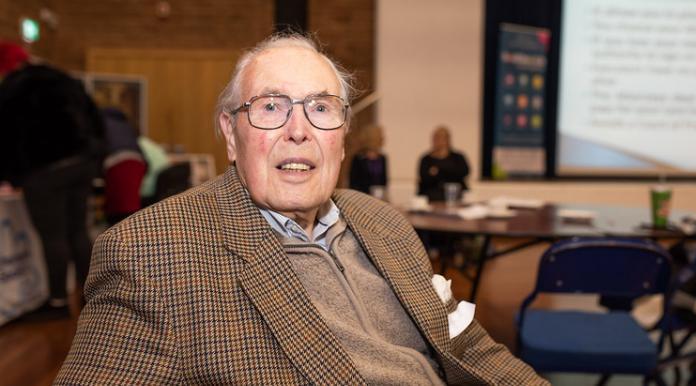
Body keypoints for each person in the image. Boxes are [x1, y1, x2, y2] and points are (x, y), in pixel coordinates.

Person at [56, 33, 547, 385]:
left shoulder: (382, 220)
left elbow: (472, 351)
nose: (298, 130)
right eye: (270, 107)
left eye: (321, 107)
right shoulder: (152, 253)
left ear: (342, 136)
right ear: (231, 134)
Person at [0, 62, 104, 319]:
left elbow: (4, 134)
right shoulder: (62, 78)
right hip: (81, 162)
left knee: (53, 236)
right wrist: (93, 156)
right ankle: (93, 294)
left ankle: (57, 302)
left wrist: (10, 174)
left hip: (43, 168)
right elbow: (95, 117)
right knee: (78, 230)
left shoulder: (14, 89)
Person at [418, 126, 470, 202]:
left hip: (456, 197)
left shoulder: (458, 157)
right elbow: (425, 178)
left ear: (448, 139)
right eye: (436, 138)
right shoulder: (426, 159)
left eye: (442, 138)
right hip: (432, 197)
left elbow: (463, 172)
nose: (439, 141)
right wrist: (448, 171)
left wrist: (437, 170)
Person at [349, 123, 388, 195]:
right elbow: (353, 183)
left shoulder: (382, 158)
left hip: (379, 196)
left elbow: (384, 182)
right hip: (362, 196)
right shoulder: (358, 158)